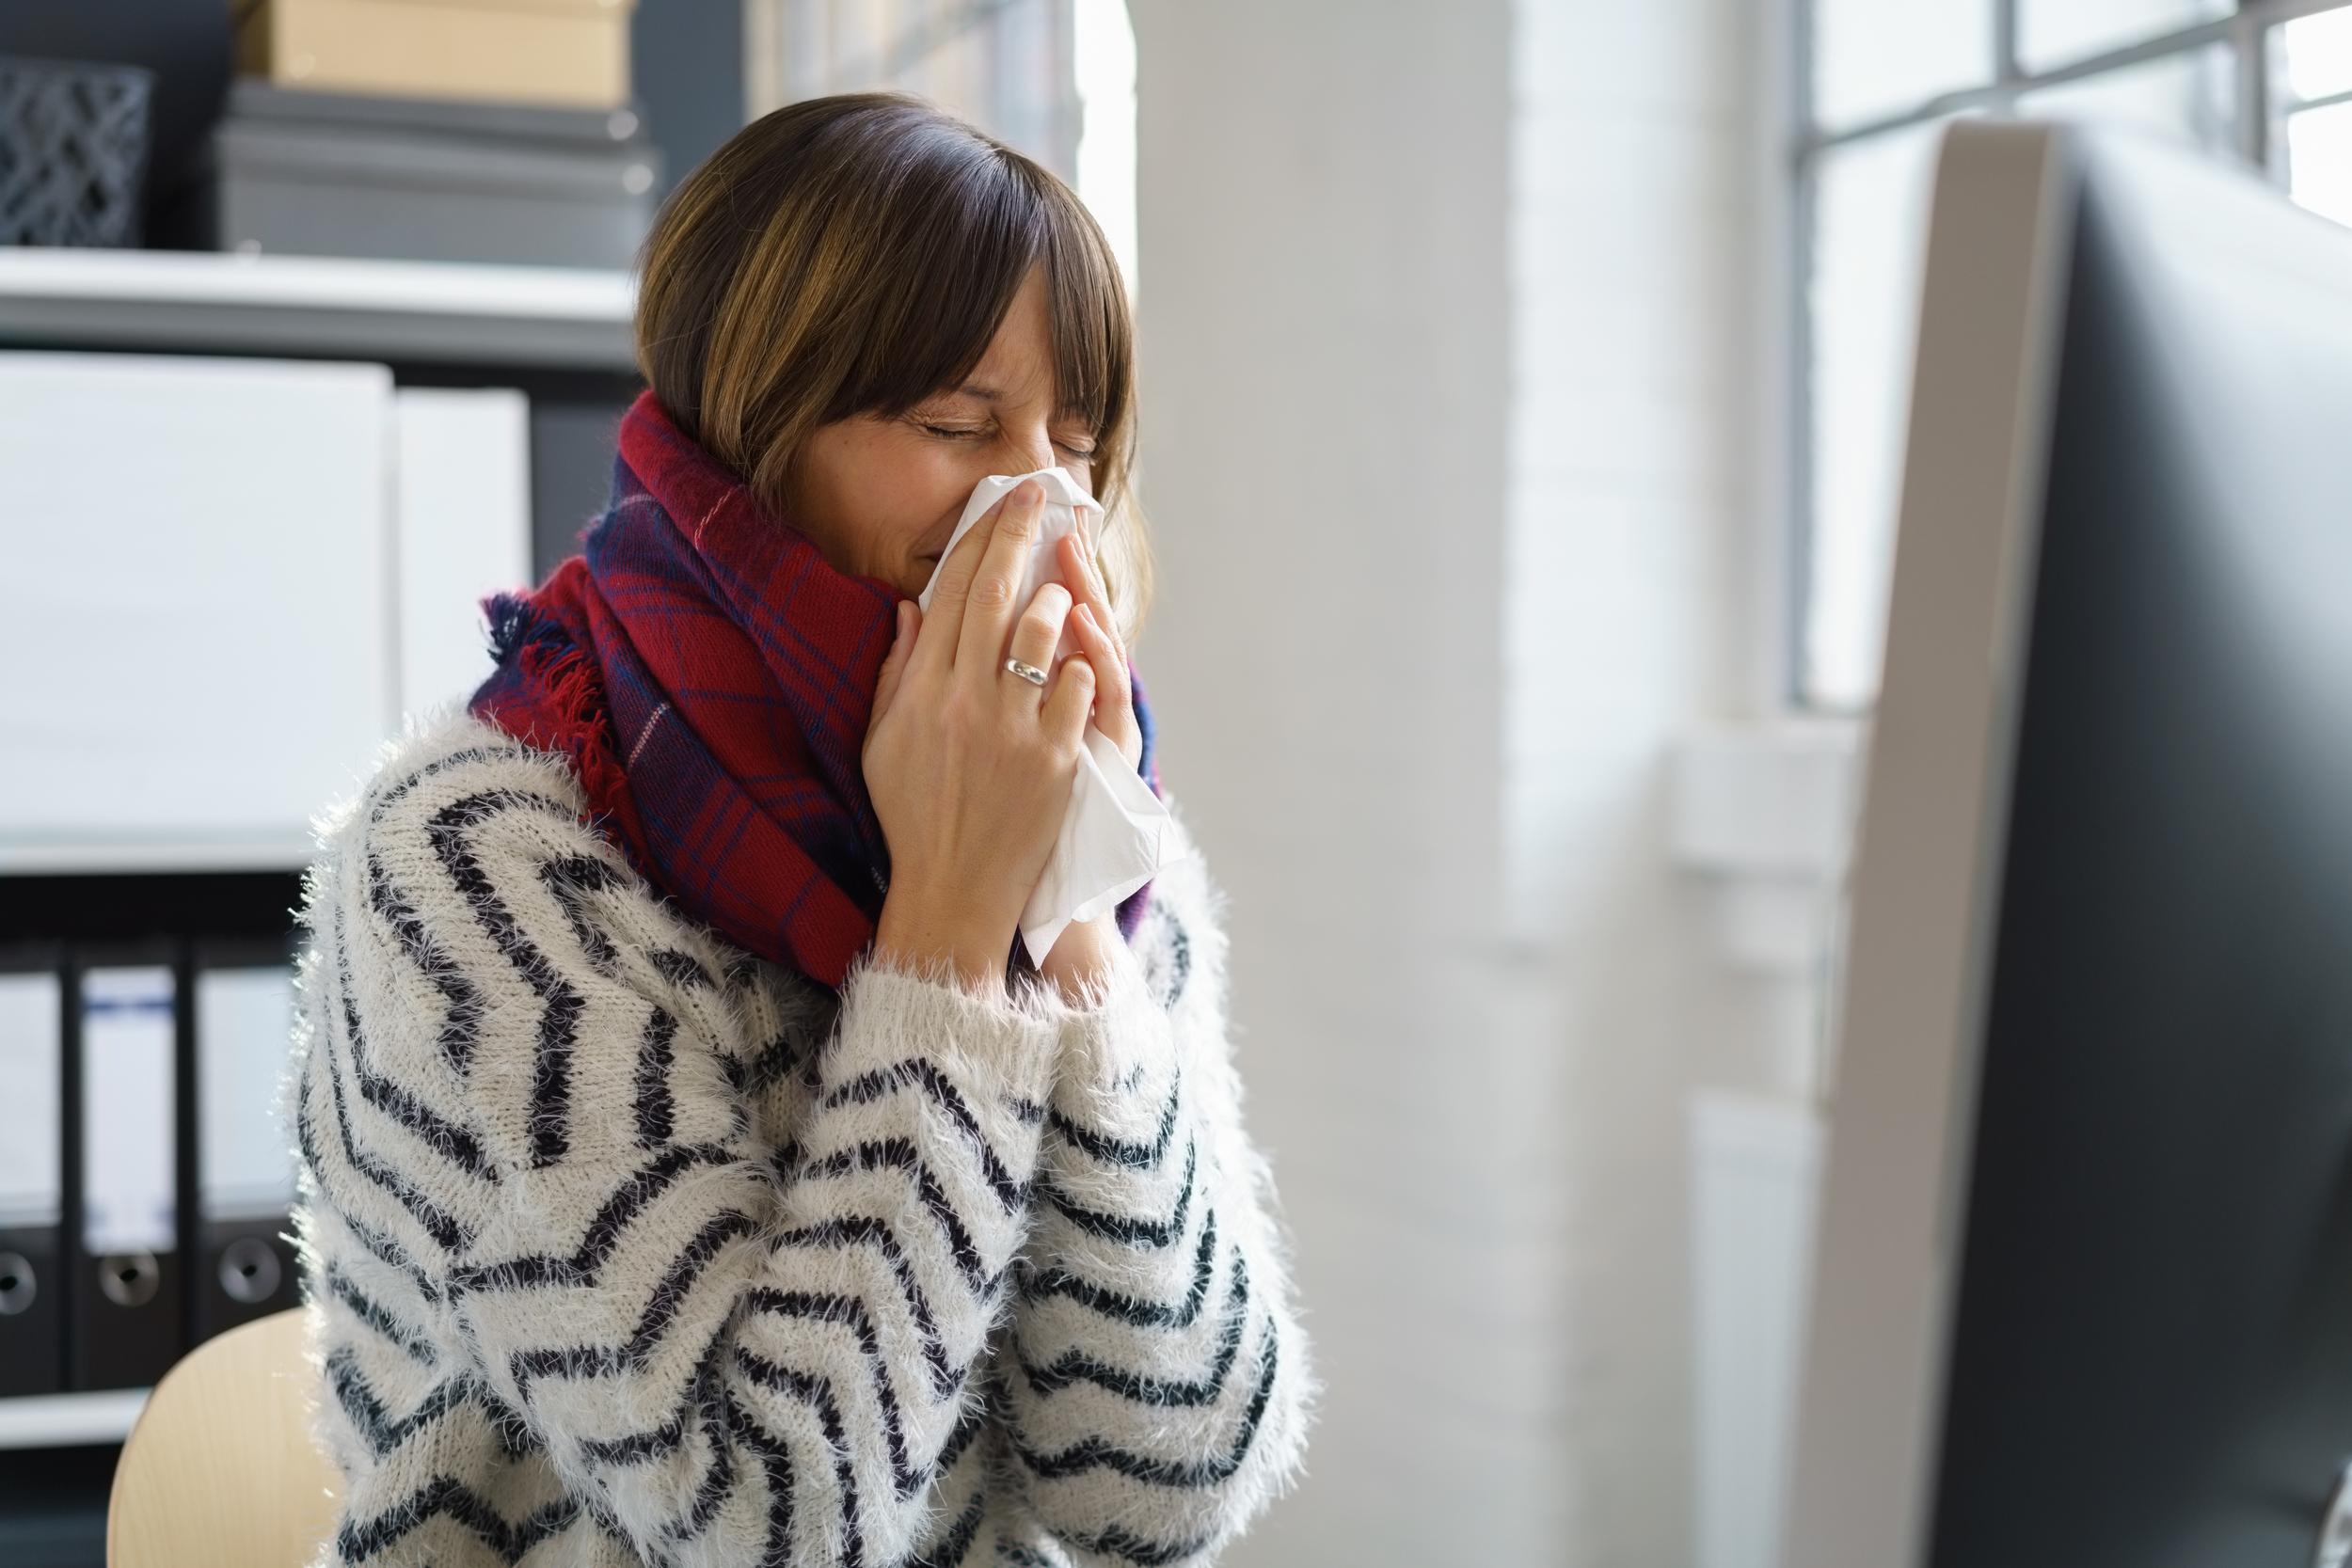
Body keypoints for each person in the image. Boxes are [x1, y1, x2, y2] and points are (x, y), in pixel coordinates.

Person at [278, 90, 1318, 1568]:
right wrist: (950, 943)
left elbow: (1169, 1485)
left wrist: (1063, 908)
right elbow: (766, 1524)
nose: (1038, 499)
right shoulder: (477, 869)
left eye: (1075, 444)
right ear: (752, 441)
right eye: (958, 423)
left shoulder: (1095, 823)